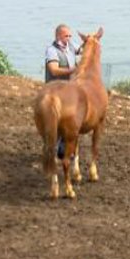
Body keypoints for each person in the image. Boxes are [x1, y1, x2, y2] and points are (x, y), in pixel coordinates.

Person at [44, 24, 81, 158]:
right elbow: (53, 70)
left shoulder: (70, 45)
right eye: (66, 36)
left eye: (70, 35)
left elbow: (81, 50)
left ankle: (64, 147)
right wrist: (73, 70)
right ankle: (53, 147)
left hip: (68, 88)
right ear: (58, 36)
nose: (69, 38)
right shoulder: (52, 50)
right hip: (55, 88)